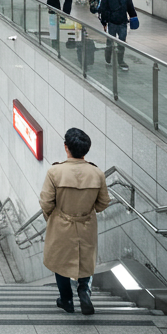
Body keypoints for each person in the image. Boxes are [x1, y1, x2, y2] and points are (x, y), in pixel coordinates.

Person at [40, 128, 109, 315]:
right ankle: (84, 290)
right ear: (86, 150)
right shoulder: (97, 174)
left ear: (66, 147)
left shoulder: (55, 171)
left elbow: (46, 202)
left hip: (61, 223)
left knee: (60, 262)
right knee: (85, 259)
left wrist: (51, 217)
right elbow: (103, 203)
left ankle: (66, 300)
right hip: (86, 223)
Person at [96, 0, 137, 70]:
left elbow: (130, 8)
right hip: (112, 23)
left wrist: (133, 18)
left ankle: (120, 61)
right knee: (110, 42)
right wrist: (104, 22)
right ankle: (108, 58)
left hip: (122, 23)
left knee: (122, 42)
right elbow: (103, 9)